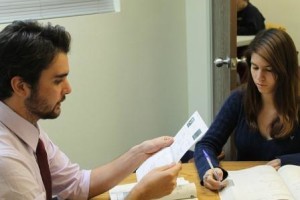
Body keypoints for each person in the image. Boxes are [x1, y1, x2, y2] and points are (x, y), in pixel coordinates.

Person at [0, 20, 182, 199]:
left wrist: (140, 153)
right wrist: (141, 194)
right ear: (21, 86)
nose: (68, 89)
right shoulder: (6, 162)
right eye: (57, 81)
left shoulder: (25, 125)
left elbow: (76, 184)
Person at [194, 28, 300, 191]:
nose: (259, 77)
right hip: (245, 189)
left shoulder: (297, 103)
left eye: (269, 69)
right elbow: (206, 145)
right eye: (255, 67)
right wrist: (208, 169)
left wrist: (285, 161)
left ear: (286, 70)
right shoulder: (239, 99)